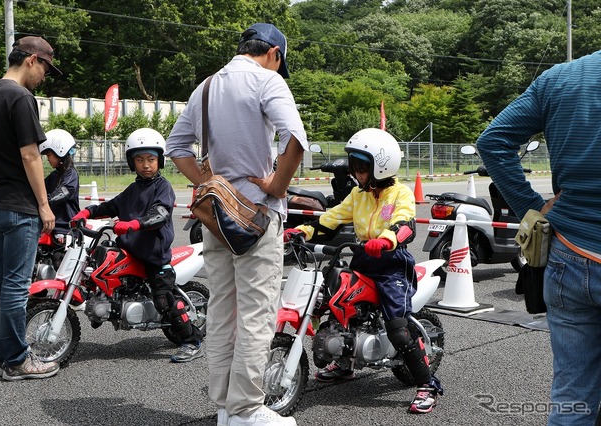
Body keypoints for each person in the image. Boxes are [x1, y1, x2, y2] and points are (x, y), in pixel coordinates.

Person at [166, 23, 307, 426]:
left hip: (216, 217)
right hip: (258, 216)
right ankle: (247, 409)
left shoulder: (206, 87)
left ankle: (226, 408)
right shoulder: (268, 82)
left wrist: (210, 185)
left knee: (222, 311)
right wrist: (277, 184)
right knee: (256, 314)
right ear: (275, 54)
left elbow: (175, 147)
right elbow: (295, 138)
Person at [476, 51, 601, 426]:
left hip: (569, 255)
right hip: (570, 250)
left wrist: (533, 208)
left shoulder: (561, 77)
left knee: (572, 396)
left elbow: (493, 141)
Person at [285, 128, 443, 414]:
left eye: (360, 168)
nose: (355, 174)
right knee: (337, 306)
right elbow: (330, 219)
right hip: (362, 260)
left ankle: (427, 385)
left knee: (398, 330)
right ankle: (345, 364)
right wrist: (303, 231)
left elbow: (405, 224)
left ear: (380, 166)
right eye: (354, 167)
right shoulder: (358, 196)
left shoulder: (400, 193)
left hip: (391, 266)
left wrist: (386, 240)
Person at [71, 128, 204, 360]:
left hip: (154, 257)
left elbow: (160, 214)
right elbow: (111, 206)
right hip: (130, 252)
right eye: (140, 159)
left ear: (159, 161)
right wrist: (87, 212)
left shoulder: (163, 187)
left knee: (164, 301)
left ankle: (192, 340)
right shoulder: (133, 189)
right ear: (132, 163)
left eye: (151, 159)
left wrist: (134, 224)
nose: (146, 165)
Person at [0, 36, 61, 381]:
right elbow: (30, 155)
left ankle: (3, 356)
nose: (45, 75)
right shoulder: (20, 96)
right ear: (30, 59)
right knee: (14, 286)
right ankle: (17, 360)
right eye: (45, 66)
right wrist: (44, 205)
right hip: (18, 204)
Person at [39, 128, 80, 239]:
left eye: (49, 155)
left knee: (58, 256)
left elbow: (64, 191)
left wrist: (44, 202)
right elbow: (40, 188)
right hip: (52, 226)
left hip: (67, 229)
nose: (47, 159)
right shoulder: (54, 175)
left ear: (59, 151)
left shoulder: (71, 174)